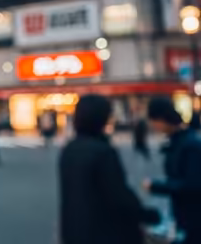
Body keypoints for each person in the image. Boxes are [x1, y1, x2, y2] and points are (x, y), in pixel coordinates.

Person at [59, 95, 159, 244]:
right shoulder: (102, 152)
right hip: (104, 233)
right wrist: (146, 215)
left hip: (75, 231)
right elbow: (118, 194)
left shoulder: (69, 149)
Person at [144, 97, 201, 244]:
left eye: (154, 121)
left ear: (162, 119)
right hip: (184, 214)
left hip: (193, 216)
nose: (153, 126)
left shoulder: (189, 144)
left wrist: (156, 186)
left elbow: (192, 185)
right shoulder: (178, 141)